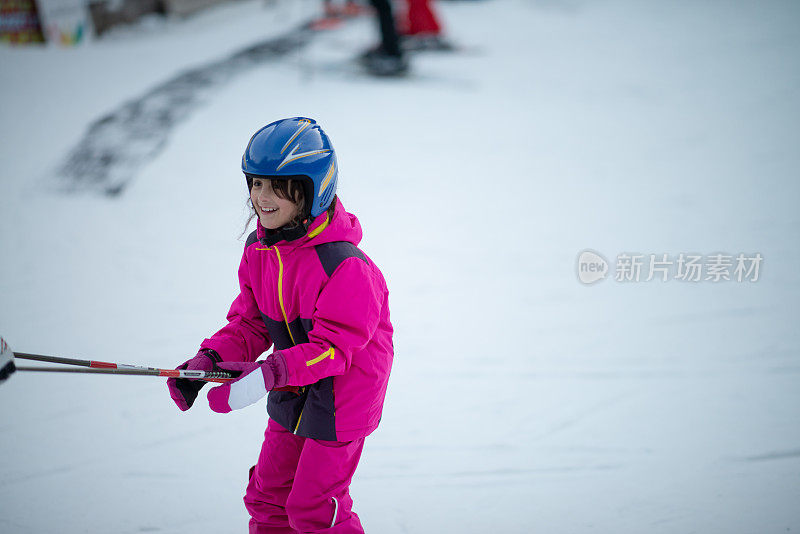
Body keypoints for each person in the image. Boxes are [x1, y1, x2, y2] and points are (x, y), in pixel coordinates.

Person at [167, 117, 394, 534]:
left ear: (312, 189)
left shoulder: (344, 266)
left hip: (343, 398)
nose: (262, 197)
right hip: (291, 384)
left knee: (312, 507)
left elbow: (333, 349)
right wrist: (210, 359)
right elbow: (251, 325)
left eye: (278, 186)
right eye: (255, 183)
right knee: (268, 497)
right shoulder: (260, 251)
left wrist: (267, 374)